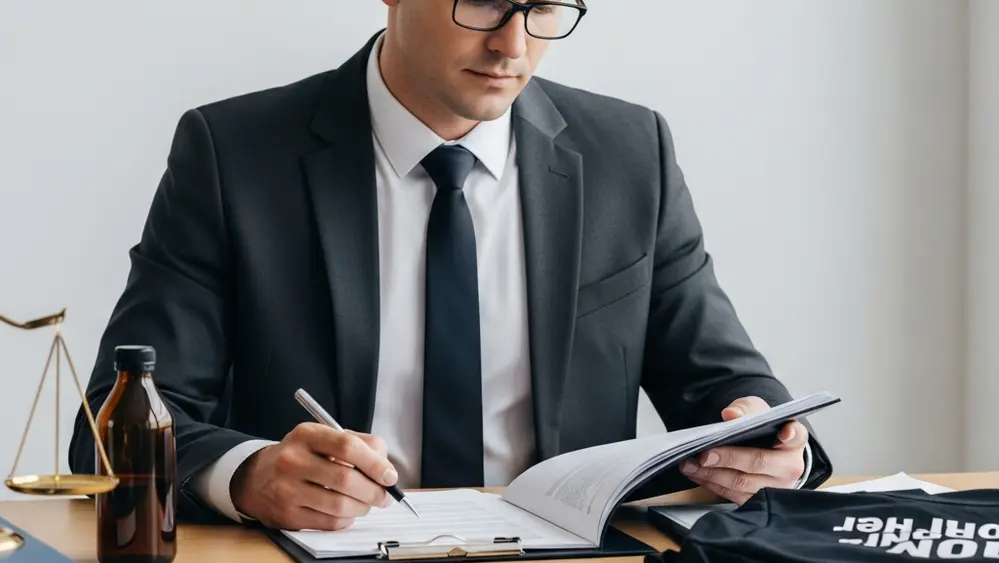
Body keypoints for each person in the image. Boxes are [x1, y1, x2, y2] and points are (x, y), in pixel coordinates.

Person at [69, 0, 833, 532]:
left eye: (542, 9)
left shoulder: (628, 153)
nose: (514, 45)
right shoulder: (234, 154)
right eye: (485, 3)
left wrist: (769, 447)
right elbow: (114, 421)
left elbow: (724, 384)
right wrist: (249, 474)